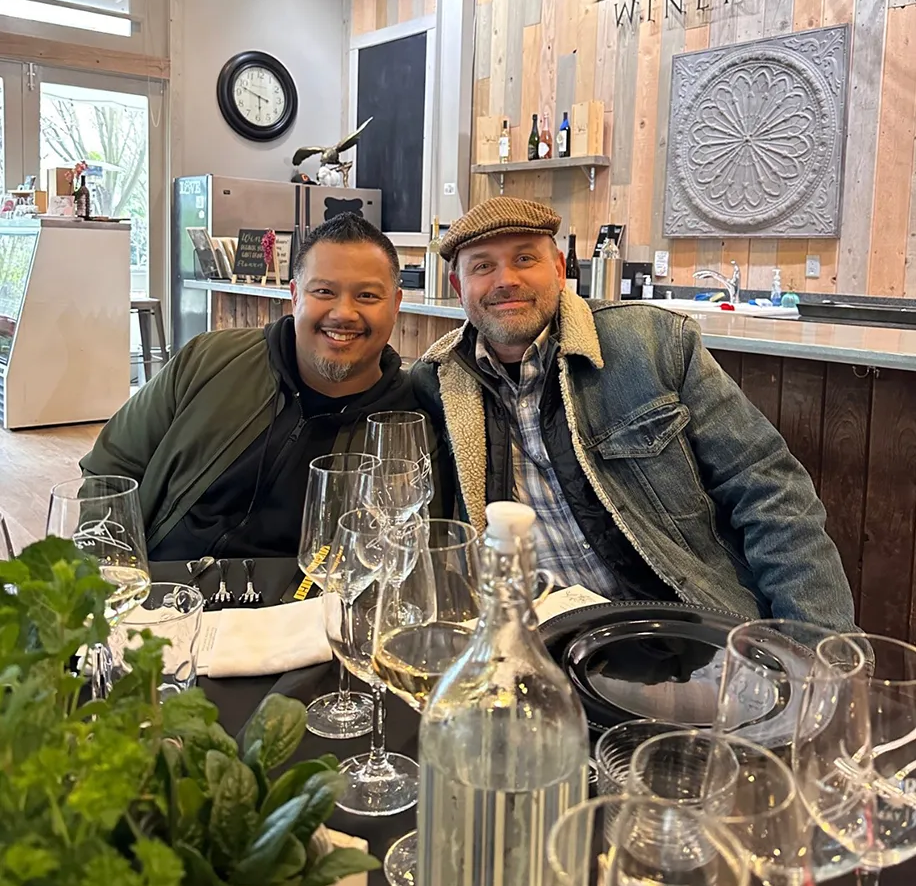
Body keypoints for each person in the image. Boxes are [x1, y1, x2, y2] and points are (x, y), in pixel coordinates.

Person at [411, 196, 856, 629]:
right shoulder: (438, 383)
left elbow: (770, 491)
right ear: (458, 286)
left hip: (688, 629)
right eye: (483, 266)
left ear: (560, 270)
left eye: (525, 259)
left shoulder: (653, 341)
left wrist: (817, 654)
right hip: (534, 638)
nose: (506, 279)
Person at [82, 213, 424, 560]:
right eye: (323, 291)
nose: (344, 313)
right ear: (295, 296)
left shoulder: (409, 424)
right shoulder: (210, 360)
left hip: (305, 610)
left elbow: (404, 547)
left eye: (367, 296)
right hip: (164, 594)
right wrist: (116, 573)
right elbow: (110, 471)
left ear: (395, 305)